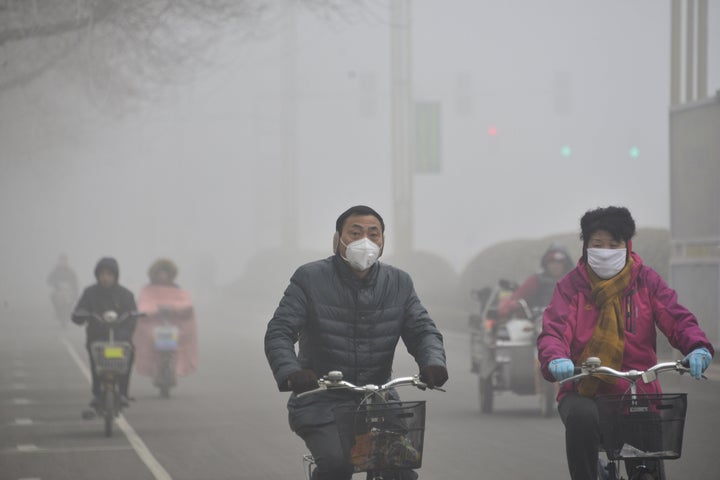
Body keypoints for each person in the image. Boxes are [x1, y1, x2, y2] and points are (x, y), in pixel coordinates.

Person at [264, 205, 448, 480]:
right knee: (338, 466)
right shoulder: (310, 278)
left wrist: (433, 362)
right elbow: (279, 331)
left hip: (379, 399)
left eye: (374, 234)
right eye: (355, 232)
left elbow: (422, 330)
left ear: (383, 243)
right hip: (320, 399)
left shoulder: (399, 282)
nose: (366, 241)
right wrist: (292, 372)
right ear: (338, 239)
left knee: (400, 471)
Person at [537, 206, 714, 480]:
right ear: (586, 247)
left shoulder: (646, 281)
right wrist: (556, 359)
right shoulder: (571, 287)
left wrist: (697, 347)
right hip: (584, 390)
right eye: (598, 244)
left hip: (639, 388)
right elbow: (553, 331)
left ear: (627, 245)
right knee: (582, 417)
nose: (605, 250)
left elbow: (677, 318)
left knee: (650, 463)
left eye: (614, 244)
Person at [72, 257, 138, 408]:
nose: (105, 277)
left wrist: (124, 332)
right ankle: (97, 392)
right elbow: (79, 312)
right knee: (96, 361)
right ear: (97, 275)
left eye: (109, 273)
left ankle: (122, 393)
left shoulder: (126, 295)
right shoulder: (89, 293)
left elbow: (132, 316)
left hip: (120, 339)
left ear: (115, 275)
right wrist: (80, 315)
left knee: (129, 354)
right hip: (97, 337)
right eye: (102, 273)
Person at [132, 258, 198, 385]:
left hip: (174, 325)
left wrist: (175, 309)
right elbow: (144, 304)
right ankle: (154, 369)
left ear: (171, 275)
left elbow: (185, 304)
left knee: (178, 347)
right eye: (160, 273)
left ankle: (173, 369)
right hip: (152, 326)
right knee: (146, 340)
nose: (163, 276)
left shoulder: (178, 290)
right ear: (154, 274)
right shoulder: (147, 290)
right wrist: (153, 310)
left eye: (165, 273)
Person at [497, 242, 573, 317]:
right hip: (538, 323)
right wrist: (509, 305)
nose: (555, 266)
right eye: (551, 262)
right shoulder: (535, 280)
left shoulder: (575, 282)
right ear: (546, 264)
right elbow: (517, 297)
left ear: (565, 264)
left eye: (558, 262)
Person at [47, 254, 79, 324]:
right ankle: (57, 312)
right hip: (58, 291)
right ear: (59, 261)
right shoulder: (55, 271)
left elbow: (75, 282)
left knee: (70, 302)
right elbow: (49, 280)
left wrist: (75, 292)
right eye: (61, 260)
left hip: (69, 292)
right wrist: (56, 284)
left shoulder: (70, 271)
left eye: (64, 260)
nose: (63, 262)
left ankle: (67, 316)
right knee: (53, 297)